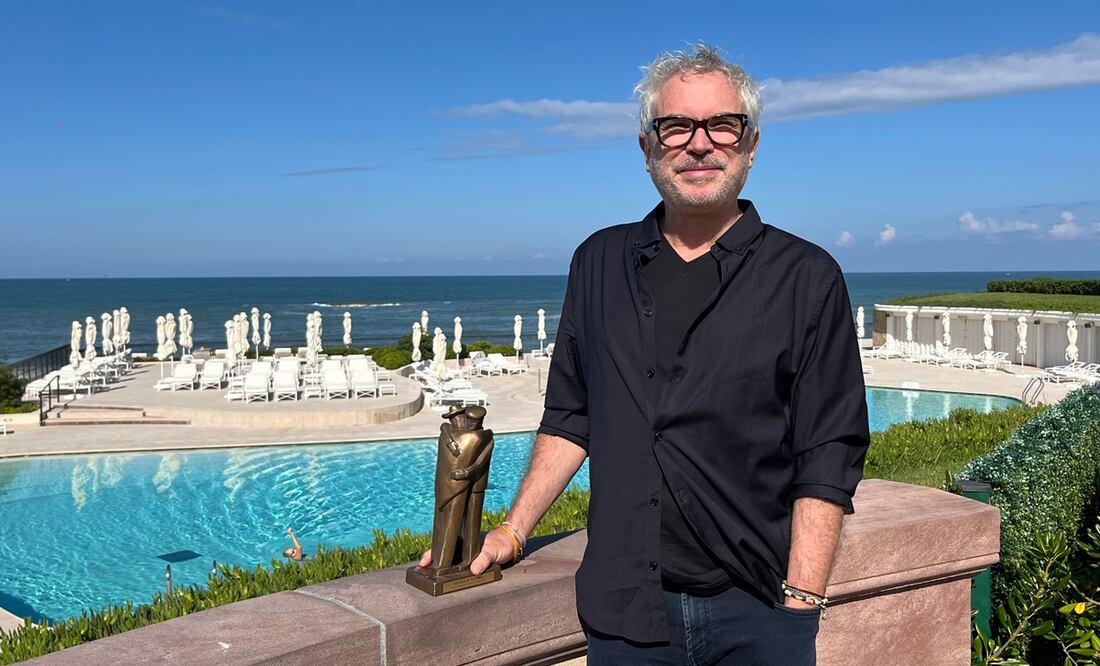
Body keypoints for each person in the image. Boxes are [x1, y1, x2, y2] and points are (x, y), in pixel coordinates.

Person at [423, 44, 869, 664]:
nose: (699, 144)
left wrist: (802, 601)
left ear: (751, 144)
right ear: (647, 147)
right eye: (676, 126)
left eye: (722, 125)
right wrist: (512, 530)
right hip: (624, 609)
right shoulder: (598, 262)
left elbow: (828, 451)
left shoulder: (807, 276)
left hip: (760, 608)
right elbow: (570, 417)